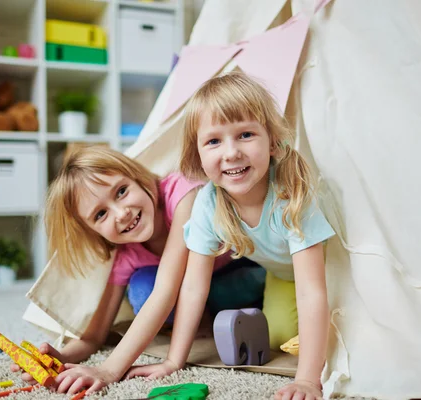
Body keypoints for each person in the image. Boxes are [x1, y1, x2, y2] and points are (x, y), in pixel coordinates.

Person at [126, 72, 336, 400]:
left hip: (330, 274)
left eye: (246, 135)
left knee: (336, 335)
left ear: (272, 141)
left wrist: (308, 379)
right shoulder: (208, 203)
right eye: (214, 141)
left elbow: (312, 290)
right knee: (278, 337)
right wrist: (173, 360)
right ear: (197, 155)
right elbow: (194, 287)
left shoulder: (290, 193)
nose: (231, 153)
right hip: (282, 275)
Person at [11, 145, 265, 395]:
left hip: (234, 271)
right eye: (100, 215)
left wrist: (110, 369)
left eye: (121, 191)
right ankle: (205, 318)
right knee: (142, 289)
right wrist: (62, 357)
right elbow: (94, 336)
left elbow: (166, 290)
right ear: (93, 232)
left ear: (138, 178)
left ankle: (236, 313)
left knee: (255, 278)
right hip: (195, 295)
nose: (121, 214)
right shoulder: (125, 255)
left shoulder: (184, 195)